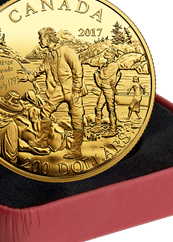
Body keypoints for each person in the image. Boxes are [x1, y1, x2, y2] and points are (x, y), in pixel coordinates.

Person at [18, 27, 86, 159]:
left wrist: (76, 90)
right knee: (45, 112)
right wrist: (30, 77)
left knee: (77, 119)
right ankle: (43, 142)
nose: (39, 41)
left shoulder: (67, 51)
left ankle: (76, 150)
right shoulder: (49, 55)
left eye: (41, 38)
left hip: (73, 89)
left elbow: (78, 70)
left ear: (49, 38)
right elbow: (41, 68)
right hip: (59, 89)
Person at [90, 46, 121, 137]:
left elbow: (104, 76)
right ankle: (98, 126)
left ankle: (113, 129)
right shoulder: (107, 64)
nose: (105, 53)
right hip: (103, 88)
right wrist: (101, 71)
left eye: (107, 52)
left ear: (112, 55)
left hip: (109, 89)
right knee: (98, 107)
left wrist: (100, 72)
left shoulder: (114, 65)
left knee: (110, 109)